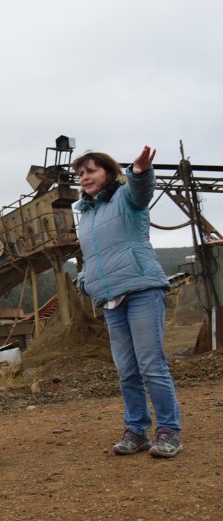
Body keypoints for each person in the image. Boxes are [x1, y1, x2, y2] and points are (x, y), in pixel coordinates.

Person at [73, 146, 182, 458]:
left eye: (91, 170)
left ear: (108, 171)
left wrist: (140, 173)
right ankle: (136, 430)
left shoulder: (125, 197)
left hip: (142, 289)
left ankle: (169, 431)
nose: (85, 177)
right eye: (81, 174)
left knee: (151, 364)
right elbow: (92, 257)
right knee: (127, 370)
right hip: (110, 298)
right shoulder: (86, 214)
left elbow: (141, 190)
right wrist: (85, 280)